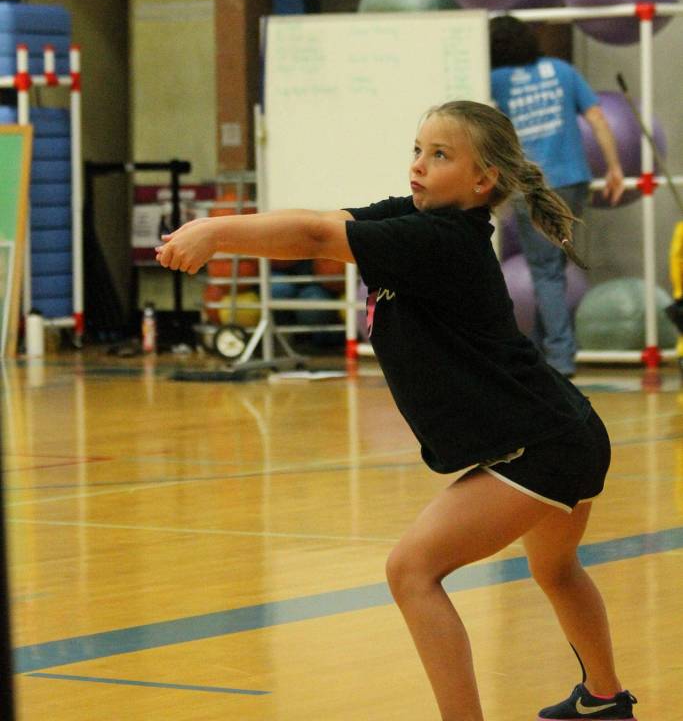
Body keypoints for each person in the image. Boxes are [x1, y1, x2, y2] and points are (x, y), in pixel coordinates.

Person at [156, 100, 637, 721]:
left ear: (482, 180)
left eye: (440, 156)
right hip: (562, 428)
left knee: (412, 571)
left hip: (539, 445)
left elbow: (314, 239)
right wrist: (230, 231)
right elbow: (322, 221)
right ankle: (603, 700)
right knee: (557, 568)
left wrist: (217, 232)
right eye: (417, 149)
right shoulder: (414, 216)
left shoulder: (440, 240)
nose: (419, 165)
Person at [490, 15, 625, 379]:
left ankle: (561, 358)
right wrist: (614, 167)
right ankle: (538, 348)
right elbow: (597, 118)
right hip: (572, 181)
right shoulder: (562, 70)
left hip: (531, 184)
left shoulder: (496, 81)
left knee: (546, 272)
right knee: (551, 268)